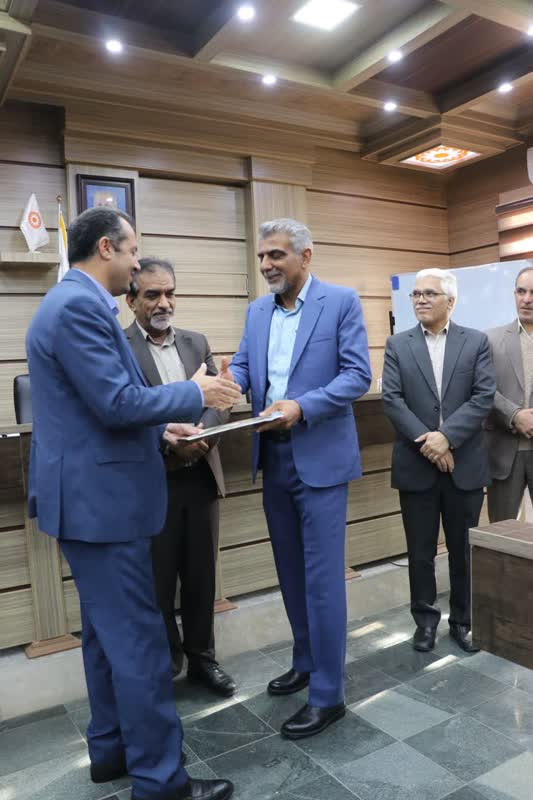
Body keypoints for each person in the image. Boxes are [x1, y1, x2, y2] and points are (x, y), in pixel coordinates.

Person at [26, 207, 239, 800]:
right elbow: (117, 403)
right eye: (131, 251)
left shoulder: (73, 303)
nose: (136, 262)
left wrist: (162, 429)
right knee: (141, 644)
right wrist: (193, 391)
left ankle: (111, 750)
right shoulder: (79, 307)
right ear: (105, 249)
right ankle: (161, 780)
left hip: (91, 501)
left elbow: (96, 410)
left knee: (104, 639)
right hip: (105, 506)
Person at [225, 217, 371, 739]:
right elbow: (245, 368)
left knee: (323, 580)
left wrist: (302, 406)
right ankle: (306, 661)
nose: (266, 265)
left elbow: (357, 375)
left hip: (321, 459)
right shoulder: (256, 311)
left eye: (276, 255)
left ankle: (328, 695)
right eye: (262, 256)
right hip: (274, 457)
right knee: (289, 572)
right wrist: (222, 382)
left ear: (305, 256)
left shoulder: (341, 301)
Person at [125, 257, 236, 696]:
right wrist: (169, 442)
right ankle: (167, 663)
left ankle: (203, 661)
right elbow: (126, 411)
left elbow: (220, 400)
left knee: (201, 576)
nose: (164, 303)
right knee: (157, 581)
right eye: (152, 295)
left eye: (170, 293)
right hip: (154, 480)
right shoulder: (119, 348)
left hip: (201, 474)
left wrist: (201, 436)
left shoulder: (196, 342)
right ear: (131, 300)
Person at [382, 268, 495, 654]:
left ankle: (463, 621)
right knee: (420, 552)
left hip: (465, 464)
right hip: (416, 465)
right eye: (416, 294)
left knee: (464, 551)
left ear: (451, 301)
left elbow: (483, 397)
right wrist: (430, 443)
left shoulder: (476, 342)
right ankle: (425, 621)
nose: (420, 300)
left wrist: (447, 437)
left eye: (429, 293)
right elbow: (392, 400)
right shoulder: (398, 344)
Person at [485, 266, 533, 521]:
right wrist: (514, 415)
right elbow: (482, 389)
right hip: (503, 453)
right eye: (521, 291)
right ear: (514, 294)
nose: (527, 299)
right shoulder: (490, 339)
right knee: (501, 532)